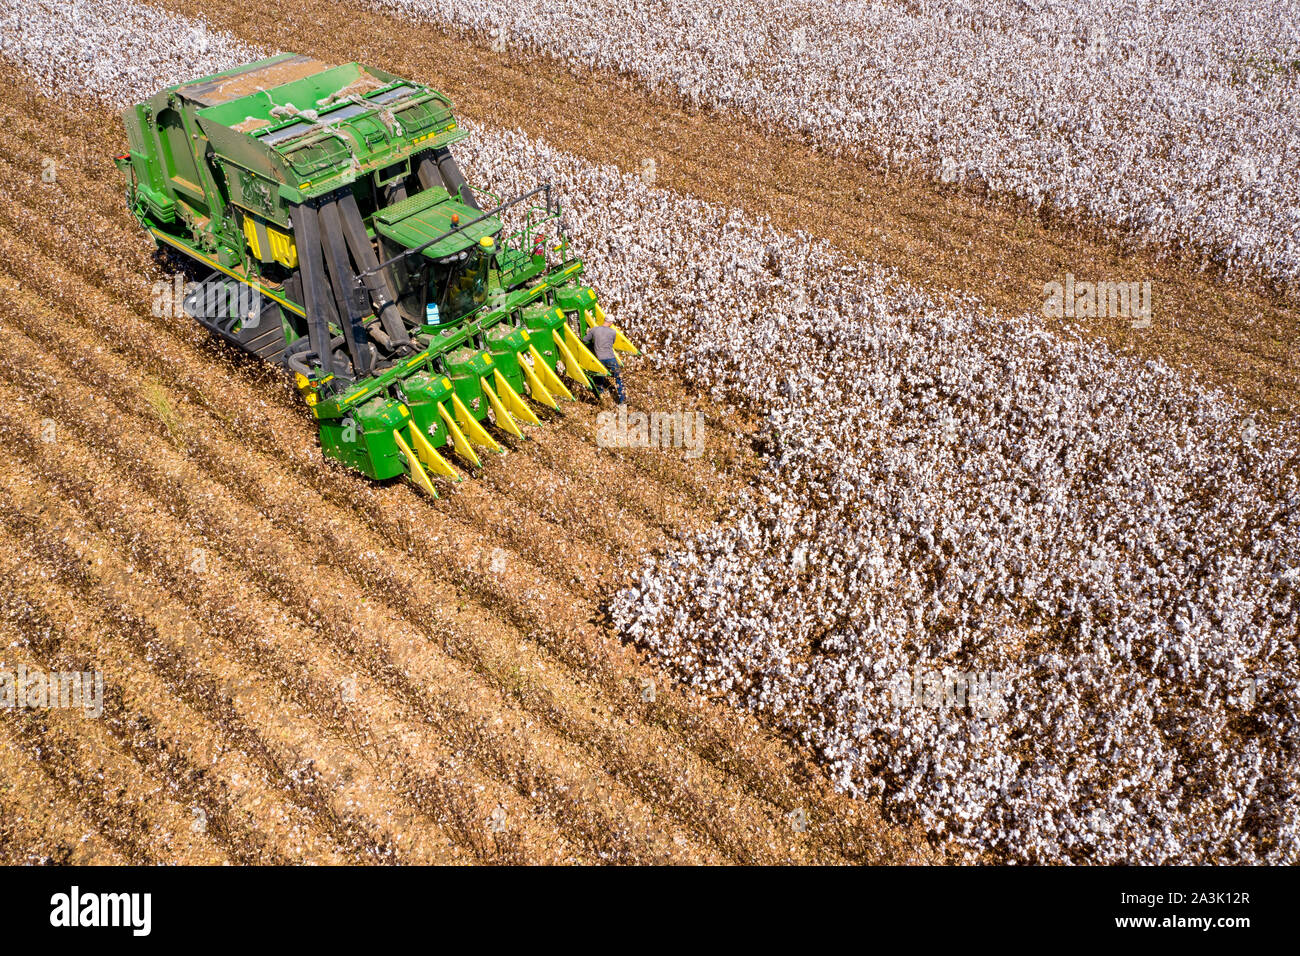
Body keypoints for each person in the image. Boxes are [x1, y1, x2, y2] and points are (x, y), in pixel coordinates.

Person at [583, 315, 626, 407]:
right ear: (611, 323)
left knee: (599, 377)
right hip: (611, 358)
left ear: (604, 320)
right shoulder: (612, 332)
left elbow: (584, 339)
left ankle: (602, 398)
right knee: (618, 377)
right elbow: (612, 342)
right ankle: (621, 400)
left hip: (599, 359)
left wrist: (590, 335)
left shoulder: (594, 330)